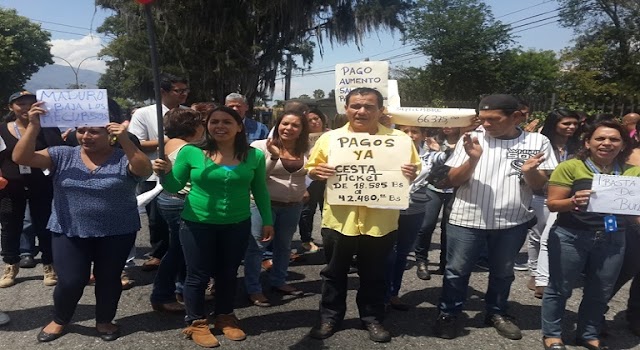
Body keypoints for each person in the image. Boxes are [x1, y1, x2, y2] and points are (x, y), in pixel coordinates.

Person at [12, 101, 152, 342]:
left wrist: (126, 139)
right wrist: (33, 127)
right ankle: (60, 318)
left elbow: (143, 170)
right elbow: (21, 157)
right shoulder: (61, 154)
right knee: (70, 280)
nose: (86, 136)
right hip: (69, 228)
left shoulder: (122, 157)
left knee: (109, 278)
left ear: (110, 132)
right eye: (81, 130)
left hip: (117, 230)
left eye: (94, 131)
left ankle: (105, 320)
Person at [434, 94, 557, 341]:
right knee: (457, 271)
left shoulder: (537, 141)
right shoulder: (472, 138)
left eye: (493, 119)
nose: (486, 125)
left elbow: (539, 186)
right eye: (482, 119)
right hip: (466, 219)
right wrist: (473, 158)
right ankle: (449, 314)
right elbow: (453, 181)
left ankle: (496, 312)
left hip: (512, 221)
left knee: (503, 272)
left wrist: (530, 172)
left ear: (516, 116)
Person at [306, 87, 419, 343]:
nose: (362, 111)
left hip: (381, 222)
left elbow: (413, 171)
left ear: (380, 110)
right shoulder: (330, 139)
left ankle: (372, 318)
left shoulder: (399, 140)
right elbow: (311, 169)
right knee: (334, 273)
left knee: (375, 274)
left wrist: (411, 173)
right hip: (339, 220)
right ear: (346, 109)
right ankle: (330, 317)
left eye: (369, 106)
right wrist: (317, 172)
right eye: (356, 105)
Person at [155, 106, 274, 348]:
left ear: (239, 126)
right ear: (207, 126)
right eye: (214, 122)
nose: (220, 126)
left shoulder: (255, 156)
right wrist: (164, 173)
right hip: (197, 223)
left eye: (227, 122)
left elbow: (260, 189)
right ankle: (196, 321)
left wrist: (268, 220)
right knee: (197, 275)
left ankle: (225, 316)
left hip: (237, 223)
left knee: (228, 273)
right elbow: (174, 185)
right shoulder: (191, 152)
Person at [541, 120, 636, 350]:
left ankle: (588, 333)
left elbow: (635, 211)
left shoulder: (633, 172)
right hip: (571, 235)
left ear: (623, 145)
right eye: (600, 138)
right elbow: (553, 204)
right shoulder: (572, 167)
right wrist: (573, 201)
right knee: (560, 287)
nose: (606, 143)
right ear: (588, 142)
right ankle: (552, 334)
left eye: (614, 139)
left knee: (600, 290)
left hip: (613, 237)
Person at [244, 111, 310, 307]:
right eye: (285, 124)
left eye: (295, 125)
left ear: (301, 130)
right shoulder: (259, 146)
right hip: (263, 204)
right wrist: (273, 157)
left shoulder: (307, 150)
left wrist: (306, 188)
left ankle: (279, 281)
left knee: (284, 245)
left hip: (293, 205)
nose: (289, 128)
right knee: (257, 247)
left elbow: (312, 173)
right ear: (277, 125)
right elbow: (256, 179)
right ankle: (253, 288)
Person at [0, 91, 64, 288]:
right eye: (21, 104)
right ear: (11, 108)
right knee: (10, 227)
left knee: (45, 225)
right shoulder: (2, 129)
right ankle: (11, 264)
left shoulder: (49, 128)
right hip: (10, 186)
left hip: (41, 184)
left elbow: (58, 154)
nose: (27, 107)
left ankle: (49, 264)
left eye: (31, 103)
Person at [129, 73, 189, 271]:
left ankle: (181, 250)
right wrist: (169, 141)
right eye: (178, 91)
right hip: (153, 173)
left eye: (185, 91)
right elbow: (136, 143)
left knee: (182, 216)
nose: (183, 95)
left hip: (183, 174)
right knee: (156, 218)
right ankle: (158, 253)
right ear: (163, 92)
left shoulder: (189, 114)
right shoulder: (144, 114)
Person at [150, 108, 205, 313]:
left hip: (168, 198)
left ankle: (181, 289)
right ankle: (162, 294)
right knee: (179, 251)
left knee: (180, 249)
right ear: (193, 126)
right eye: (200, 123)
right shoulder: (187, 148)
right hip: (181, 200)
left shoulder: (170, 143)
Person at [531, 109, 581, 298]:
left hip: (563, 198)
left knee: (549, 236)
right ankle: (534, 270)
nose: (571, 128)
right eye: (566, 124)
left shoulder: (578, 147)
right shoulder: (541, 144)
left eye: (574, 124)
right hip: (540, 195)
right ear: (554, 124)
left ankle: (542, 279)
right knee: (536, 236)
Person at [414, 127, 461, 280]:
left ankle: (445, 262)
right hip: (433, 188)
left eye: (452, 123)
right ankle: (421, 261)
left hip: (455, 189)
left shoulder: (465, 141)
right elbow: (428, 164)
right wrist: (438, 150)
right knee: (426, 226)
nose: (448, 127)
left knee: (449, 228)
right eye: (445, 123)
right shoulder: (432, 140)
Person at [298, 108, 329, 253]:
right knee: (307, 211)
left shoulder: (332, 135)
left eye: (316, 118)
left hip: (329, 178)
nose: (314, 122)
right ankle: (306, 240)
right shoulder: (301, 138)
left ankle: (329, 240)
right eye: (309, 120)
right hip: (309, 178)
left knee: (328, 210)